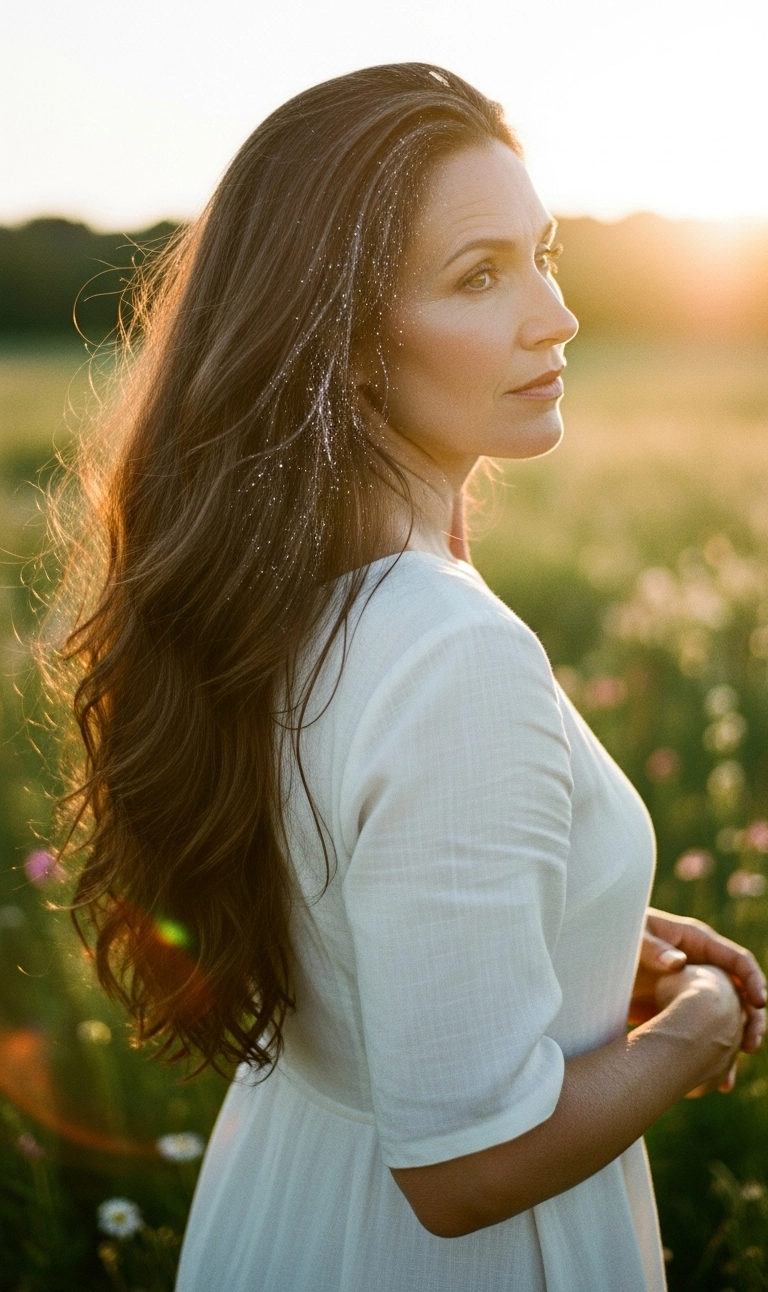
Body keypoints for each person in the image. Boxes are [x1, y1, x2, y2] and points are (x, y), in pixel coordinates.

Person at [48, 64, 766, 1291]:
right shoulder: (452, 653)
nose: (554, 315)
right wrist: (699, 1025)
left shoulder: (284, 594)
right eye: (478, 277)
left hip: (288, 1210)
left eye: (541, 254)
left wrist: (573, 923)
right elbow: (467, 1172)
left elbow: (346, 892)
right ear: (343, 339)